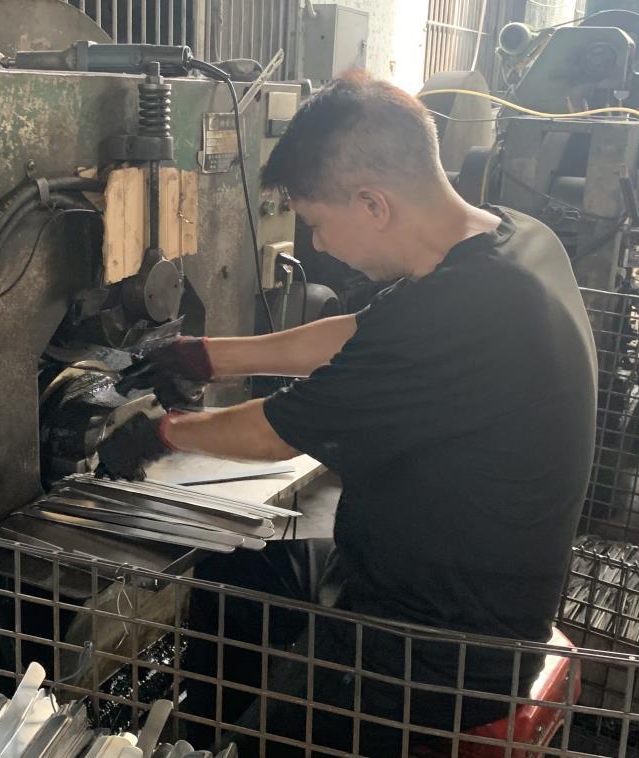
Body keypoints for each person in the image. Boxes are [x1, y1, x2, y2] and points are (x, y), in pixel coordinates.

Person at [96, 70, 597, 755]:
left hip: (435, 649)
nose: (320, 245)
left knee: (266, 739)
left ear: (373, 203)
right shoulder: (511, 240)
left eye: (318, 224)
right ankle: (206, 732)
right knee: (238, 571)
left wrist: (160, 435)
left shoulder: (471, 308)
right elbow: (356, 335)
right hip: (397, 574)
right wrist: (205, 355)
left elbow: (276, 432)